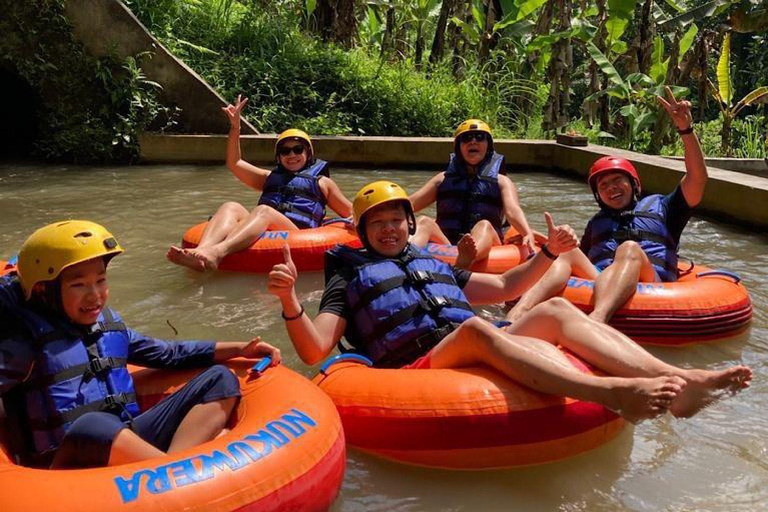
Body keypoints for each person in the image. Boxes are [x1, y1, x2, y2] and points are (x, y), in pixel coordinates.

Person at [267, 181, 751, 425]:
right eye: (379, 223)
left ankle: (684, 382)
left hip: (469, 343)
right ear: (364, 232)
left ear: (410, 225)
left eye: (397, 220)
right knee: (478, 330)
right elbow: (315, 352)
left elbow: (504, 289)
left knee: (557, 310)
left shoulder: (436, 265)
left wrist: (548, 254)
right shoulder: (348, 278)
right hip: (415, 365)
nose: (390, 228)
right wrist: (290, 301)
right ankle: (612, 394)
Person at [0, 220, 281, 469]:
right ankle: (175, 470)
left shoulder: (108, 326)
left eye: (101, 280)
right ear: (42, 290)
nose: (95, 295)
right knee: (95, 424)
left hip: (127, 438)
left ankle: (175, 471)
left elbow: (169, 353)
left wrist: (240, 348)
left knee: (220, 379)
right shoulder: (24, 342)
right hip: (68, 460)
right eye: (79, 285)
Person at [508, 87, 707, 323]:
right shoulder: (597, 223)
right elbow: (577, 259)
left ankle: (596, 322)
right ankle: (516, 316)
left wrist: (685, 129)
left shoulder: (665, 208)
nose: (611, 187)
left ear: (634, 185)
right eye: (603, 186)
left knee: (629, 249)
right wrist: (550, 244)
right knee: (565, 251)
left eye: (617, 181)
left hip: (651, 283)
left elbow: (697, 177)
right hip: (601, 278)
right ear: (598, 196)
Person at [167, 95, 353, 271]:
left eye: (298, 150)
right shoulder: (268, 177)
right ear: (279, 157)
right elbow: (235, 163)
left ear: (308, 154)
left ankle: (218, 252)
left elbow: (352, 212)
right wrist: (235, 127)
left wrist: (356, 221)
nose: (292, 155)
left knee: (263, 210)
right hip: (267, 229)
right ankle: (203, 251)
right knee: (230, 206)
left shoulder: (323, 183)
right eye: (285, 151)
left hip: (297, 233)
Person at [408, 119, 536, 269]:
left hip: (486, 242)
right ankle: (400, 261)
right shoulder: (442, 179)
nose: (473, 142)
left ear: (488, 146)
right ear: (458, 147)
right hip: (448, 244)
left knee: (484, 226)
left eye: (480, 137)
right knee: (424, 222)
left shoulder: (502, 182)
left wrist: (527, 232)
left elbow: (512, 210)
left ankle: (466, 261)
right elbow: (409, 204)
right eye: (466, 138)